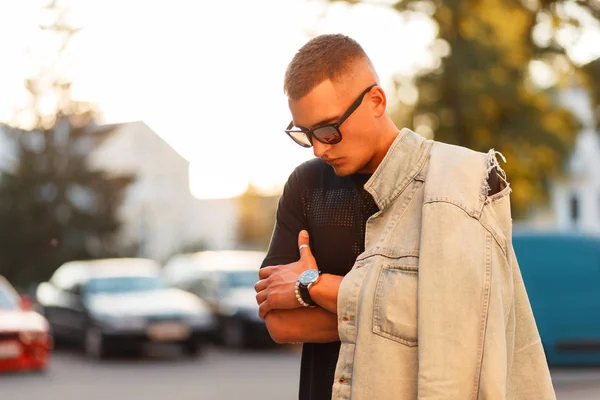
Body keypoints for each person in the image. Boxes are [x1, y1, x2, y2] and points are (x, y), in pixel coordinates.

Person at [254, 34, 555, 400]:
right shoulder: (306, 186)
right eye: (304, 134)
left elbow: (466, 323)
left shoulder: (456, 183)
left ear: (376, 101)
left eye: (329, 130)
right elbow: (280, 324)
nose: (319, 148)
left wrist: (310, 286)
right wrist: (412, 315)